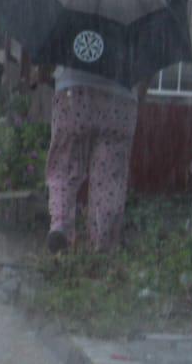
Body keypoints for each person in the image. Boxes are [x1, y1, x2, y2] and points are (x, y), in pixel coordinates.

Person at [41, 64, 144, 254]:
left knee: (64, 165)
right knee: (109, 178)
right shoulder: (139, 34)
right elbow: (147, 74)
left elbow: (49, 60)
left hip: (73, 92)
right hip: (121, 99)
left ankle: (60, 224)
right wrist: (139, 95)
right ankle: (102, 242)